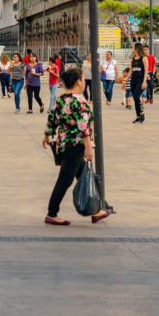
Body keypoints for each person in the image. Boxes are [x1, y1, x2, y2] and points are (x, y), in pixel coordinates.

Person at [42, 67, 111, 226]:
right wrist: (88, 146)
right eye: (83, 79)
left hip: (64, 143)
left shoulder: (61, 98)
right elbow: (83, 126)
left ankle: (96, 210)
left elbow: (53, 117)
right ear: (79, 81)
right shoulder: (79, 101)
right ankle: (52, 213)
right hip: (76, 145)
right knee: (65, 180)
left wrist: (47, 134)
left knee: (84, 175)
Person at [128, 43, 147, 123]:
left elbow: (146, 71)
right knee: (135, 99)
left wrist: (144, 82)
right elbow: (130, 71)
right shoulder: (132, 59)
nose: (132, 48)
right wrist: (125, 81)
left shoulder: (144, 58)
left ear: (137, 48)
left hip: (140, 81)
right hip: (133, 81)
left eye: (133, 47)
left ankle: (141, 113)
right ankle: (138, 116)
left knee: (136, 96)